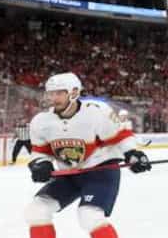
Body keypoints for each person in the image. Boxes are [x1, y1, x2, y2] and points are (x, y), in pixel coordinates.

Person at [24, 73, 151, 238]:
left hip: (100, 172)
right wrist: (40, 164)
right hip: (69, 174)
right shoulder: (41, 121)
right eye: (51, 93)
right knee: (36, 211)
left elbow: (121, 136)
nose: (54, 98)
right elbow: (40, 152)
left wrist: (133, 154)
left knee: (89, 216)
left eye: (59, 93)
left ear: (74, 93)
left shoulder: (95, 112)